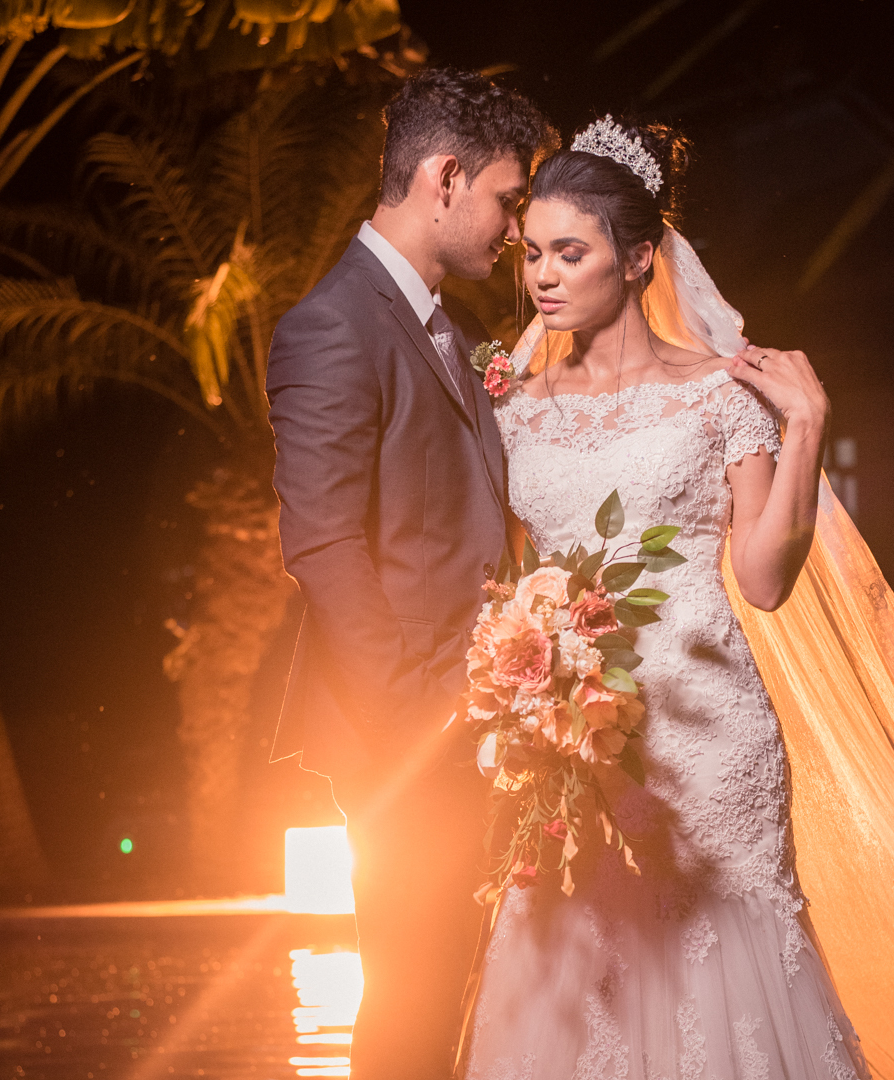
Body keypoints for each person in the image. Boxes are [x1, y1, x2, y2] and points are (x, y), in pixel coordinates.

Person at [463, 117, 894, 1079]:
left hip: (706, 732)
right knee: (579, 970)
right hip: (569, 740)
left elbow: (765, 581)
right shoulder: (511, 407)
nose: (542, 277)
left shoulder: (717, 394)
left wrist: (808, 426)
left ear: (641, 258)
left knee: (722, 978)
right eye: (533, 253)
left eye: (570, 253)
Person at [265, 68, 556, 1080]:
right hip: (407, 740)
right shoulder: (330, 325)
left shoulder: (459, 332)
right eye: (508, 200)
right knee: (414, 1004)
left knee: (470, 1001)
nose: (515, 230)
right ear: (444, 177)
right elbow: (323, 546)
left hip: (487, 729)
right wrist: (421, 729)